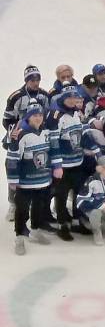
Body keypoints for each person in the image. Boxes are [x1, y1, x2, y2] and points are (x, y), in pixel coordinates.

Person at [6, 100, 58, 254]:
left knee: (39, 206)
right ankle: (20, 237)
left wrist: (55, 168)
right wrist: (13, 180)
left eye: (40, 115)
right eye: (34, 115)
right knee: (22, 209)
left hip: (42, 179)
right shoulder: (20, 134)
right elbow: (12, 158)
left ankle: (35, 230)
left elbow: (52, 151)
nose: (38, 118)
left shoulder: (46, 132)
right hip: (25, 182)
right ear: (27, 117)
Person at [46, 84, 89, 241]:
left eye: (75, 97)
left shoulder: (77, 113)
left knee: (78, 193)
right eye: (69, 97)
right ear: (63, 98)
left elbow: (82, 134)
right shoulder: (56, 116)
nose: (72, 100)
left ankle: (77, 221)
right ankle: (62, 225)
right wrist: (57, 165)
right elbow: (53, 142)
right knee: (61, 195)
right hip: (63, 165)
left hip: (77, 162)